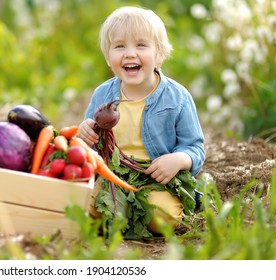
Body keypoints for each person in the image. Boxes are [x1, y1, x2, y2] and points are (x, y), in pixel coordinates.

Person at [77, 6, 205, 237]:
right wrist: (84, 134)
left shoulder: (177, 98)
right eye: (119, 46)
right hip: (111, 180)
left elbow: (195, 147)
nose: (129, 53)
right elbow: (88, 147)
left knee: (160, 217)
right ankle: (119, 212)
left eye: (141, 45)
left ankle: (121, 217)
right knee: (82, 205)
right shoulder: (103, 95)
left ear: (160, 54)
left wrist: (177, 160)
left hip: (156, 181)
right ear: (108, 57)